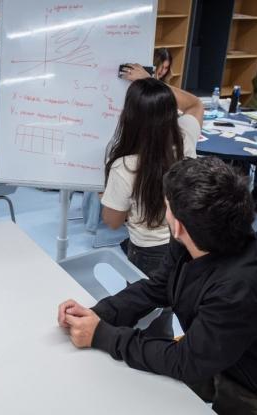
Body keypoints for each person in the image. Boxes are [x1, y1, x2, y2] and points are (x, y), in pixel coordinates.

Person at [57, 157, 257, 415]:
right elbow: (157, 287)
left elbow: (187, 362)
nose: (164, 209)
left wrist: (102, 335)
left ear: (178, 225)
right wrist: (98, 315)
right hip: (222, 357)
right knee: (137, 400)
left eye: (167, 204)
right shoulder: (197, 240)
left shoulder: (239, 289)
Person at [101, 78, 203, 338]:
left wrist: (108, 195)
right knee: (166, 308)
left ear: (129, 117)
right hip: (186, 246)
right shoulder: (186, 139)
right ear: (171, 113)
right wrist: (155, 83)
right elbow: (195, 104)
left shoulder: (125, 166)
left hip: (148, 253)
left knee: (141, 316)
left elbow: (112, 221)